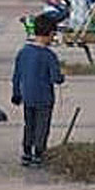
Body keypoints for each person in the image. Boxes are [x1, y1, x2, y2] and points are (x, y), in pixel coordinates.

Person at [12, 14, 65, 168]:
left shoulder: (23, 52)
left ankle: (27, 152)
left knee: (29, 124)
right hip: (45, 97)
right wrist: (62, 77)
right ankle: (38, 153)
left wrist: (16, 93)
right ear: (50, 34)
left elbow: (17, 75)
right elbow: (56, 78)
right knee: (42, 126)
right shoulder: (49, 56)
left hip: (28, 96)